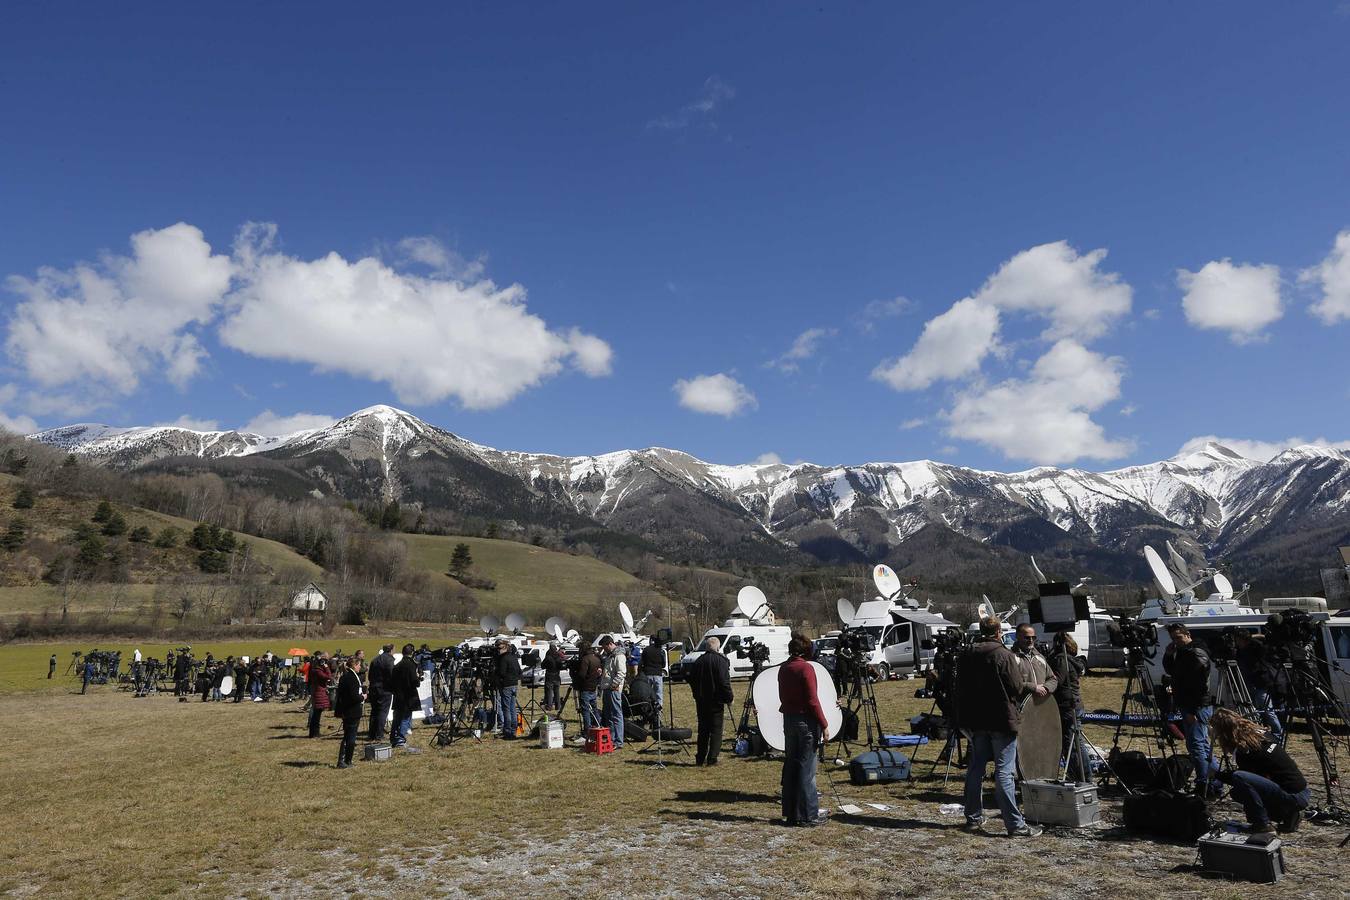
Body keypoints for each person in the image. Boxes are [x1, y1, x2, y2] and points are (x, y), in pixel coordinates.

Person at [958, 616, 1041, 837]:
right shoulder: (1003, 654)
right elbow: (1015, 686)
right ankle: (1015, 825)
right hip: (1001, 719)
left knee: (976, 769)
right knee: (1004, 772)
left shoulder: (967, 654)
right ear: (998, 633)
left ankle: (973, 817)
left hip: (977, 720)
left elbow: (960, 686)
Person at [1210, 708, 1309, 833]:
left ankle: (1262, 824)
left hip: (1293, 796)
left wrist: (1217, 774)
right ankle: (1288, 815)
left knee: (1240, 779)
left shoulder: (1244, 749)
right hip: (1301, 790)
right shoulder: (1259, 734)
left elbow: (1244, 780)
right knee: (1237, 792)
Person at [779, 633, 830, 827]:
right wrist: (824, 724)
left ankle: (792, 813)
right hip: (805, 722)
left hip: (789, 720)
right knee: (807, 769)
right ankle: (809, 815)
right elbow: (812, 700)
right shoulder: (805, 668)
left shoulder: (784, 668)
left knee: (791, 766)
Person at [1163, 623, 1217, 797]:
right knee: (1200, 745)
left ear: (1188, 635)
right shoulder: (1184, 652)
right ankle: (1214, 780)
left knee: (1197, 746)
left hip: (1196, 706)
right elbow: (1174, 672)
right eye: (1173, 639)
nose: (1176, 641)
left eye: (1179, 637)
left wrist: (1193, 710)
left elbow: (1198, 684)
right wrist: (1169, 655)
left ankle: (1205, 783)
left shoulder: (1195, 653)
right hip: (1189, 704)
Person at [1047, 632, 1090, 782]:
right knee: (1077, 741)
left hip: (1067, 706)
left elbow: (1056, 681)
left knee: (1072, 743)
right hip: (1074, 703)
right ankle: (1083, 775)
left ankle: (1080, 776)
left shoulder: (1061, 660)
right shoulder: (1071, 659)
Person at [689, 636, 733, 766]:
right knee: (716, 730)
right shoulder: (721, 661)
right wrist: (729, 698)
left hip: (701, 700)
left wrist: (696, 694)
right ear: (718, 647)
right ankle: (712, 757)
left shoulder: (698, 661)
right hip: (716, 701)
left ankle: (700, 757)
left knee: (703, 730)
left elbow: (691, 679)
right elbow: (724, 682)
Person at [1234, 630, 1283, 740]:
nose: (1237, 643)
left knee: (1267, 709)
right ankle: (1260, 732)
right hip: (1250, 683)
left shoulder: (1256, 647)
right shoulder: (1240, 651)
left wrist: (1251, 636)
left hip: (1261, 682)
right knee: (1256, 710)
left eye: (1239, 640)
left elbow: (1264, 640)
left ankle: (1278, 735)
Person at [333, 655, 367, 769]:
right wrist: (363, 697)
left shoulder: (346, 676)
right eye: (359, 665)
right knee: (350, 737)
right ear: (355, 665)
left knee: (348, 736)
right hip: (352, 711)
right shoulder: (351, 677)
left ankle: (346, 760)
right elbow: (353, 697)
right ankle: (345, 760)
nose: (360, 667)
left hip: (348, 710)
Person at [1012, 624, 1058, 699]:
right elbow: (1011, 683)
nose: (1031, 640)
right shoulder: (1011, 657)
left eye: (1033, 637)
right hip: (1021, 706)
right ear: (1017, 636)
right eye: (1027, 638)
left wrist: (1046, 688)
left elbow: (1052, 678)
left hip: (1042, 705)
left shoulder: (1039, 657)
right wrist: (1033, 688)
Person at [390, 643, 422, 752]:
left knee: (397, 718)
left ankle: (393, 738)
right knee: (405, 718)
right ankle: (400, 739)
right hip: (408, 696)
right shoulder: (410, 665)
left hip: (398, 696)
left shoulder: (397, 665)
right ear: (412, 653)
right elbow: (414, 682)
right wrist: (418, 678)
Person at [571, 640, 603, 743]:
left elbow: (582, 675)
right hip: (593, 688)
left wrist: (574, 674)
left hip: (585, 688)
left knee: (585, 711)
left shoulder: (585, 659)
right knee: (594, 709)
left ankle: (587, 733)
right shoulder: (596, 659)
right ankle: (598, 728)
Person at [599, 635, 626, 749]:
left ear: (610, 644)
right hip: (607, 689)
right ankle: (612, 738)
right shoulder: (610, 655)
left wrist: (614, 685)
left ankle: (618, 741)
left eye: (605, 647)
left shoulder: (619, 656)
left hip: (613, 690)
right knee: (609, 715)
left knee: (616, 715)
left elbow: (621, 673)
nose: (604, 650)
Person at [367, 644, 396, 741]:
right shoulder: (389, 660)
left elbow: (370, 676)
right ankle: (379, 734)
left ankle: (371, 734)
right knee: (383, 712)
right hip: (384, 689)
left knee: (374, 711)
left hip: (373, 688)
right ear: (391, 650)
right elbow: (392, 675)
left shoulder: (375, 660)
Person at [495, 639, 523, 739]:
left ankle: (508, 731)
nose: (498, 650)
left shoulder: (503, 659)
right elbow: (520, 671)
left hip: (507, 686)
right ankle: (513, 730)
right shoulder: (513, 657)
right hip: (514, 685)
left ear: (505, 647)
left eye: (499, 648)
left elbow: (501, 673)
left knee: (506, 709)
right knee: (512, 709)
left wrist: (498, 677)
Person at [307, 652, 332, 737]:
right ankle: (314, 733)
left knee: (317, 714)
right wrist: (326, 667)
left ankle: (314, 733)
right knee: (316, 715)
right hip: (319, 693)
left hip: (318, 691)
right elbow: (328, 677)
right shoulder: (318, 671)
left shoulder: (315, 669)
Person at [640, 638, 667, 715]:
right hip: (657, 674)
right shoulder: (660, 650)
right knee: (659, 694)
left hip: (647, 674)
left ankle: (648, 711)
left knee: (647, 694)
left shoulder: (646, 650)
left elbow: (642, 662)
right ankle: (658, 713)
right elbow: (664, 664)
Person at [541, 642, 565, 712]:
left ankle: (549, 706)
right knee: (557, 692)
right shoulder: (558, 657)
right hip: (557, 676)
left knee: (549, 692)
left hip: (549, 676)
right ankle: (558, 706)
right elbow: (561, 667)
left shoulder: (548, 658)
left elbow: (542, 666)